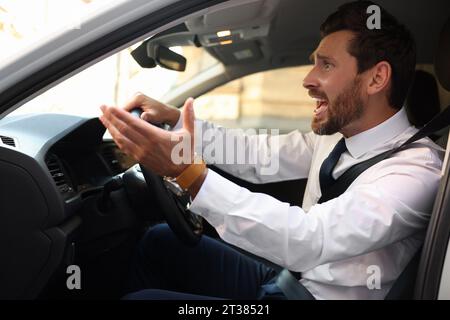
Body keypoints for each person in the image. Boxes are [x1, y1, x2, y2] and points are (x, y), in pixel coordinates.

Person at [99, 1, 444, 300]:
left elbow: (310, 239)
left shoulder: (416, 172)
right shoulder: (335, 139)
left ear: (376, 78)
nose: (308, 80)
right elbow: (258, 154)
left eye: (325, 65)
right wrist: (175, 120)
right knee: (160, 242)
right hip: (288, 280)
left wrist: (187, 172)